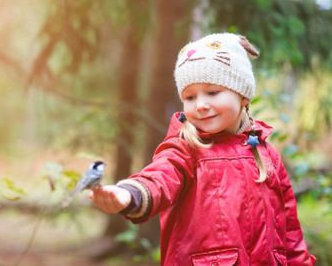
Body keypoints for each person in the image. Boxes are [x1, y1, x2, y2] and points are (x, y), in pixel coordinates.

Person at [89, 33, 316, 265]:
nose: (201, 105)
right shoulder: (186, 149)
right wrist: (131, 193)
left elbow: (291, 232)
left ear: (243, 96)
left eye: (212, 92)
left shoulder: (268, 155)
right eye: (190, 97)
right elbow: (161, 176)